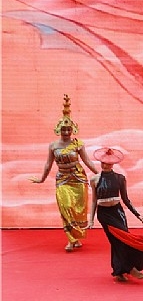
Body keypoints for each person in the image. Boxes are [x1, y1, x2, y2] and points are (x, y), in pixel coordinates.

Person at [30, 94, 99, 252]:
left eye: (68, 129)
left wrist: (100, 174)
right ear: (58, 130)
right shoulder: (53, 146)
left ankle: (76, 237)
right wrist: (41, 179)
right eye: (64, 129)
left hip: (78, 179)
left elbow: (87, 161)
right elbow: (48, 164)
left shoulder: (78, 144)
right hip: (62, 180)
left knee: (78, 210)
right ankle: (71, 239)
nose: (66, 132)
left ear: (72, 129)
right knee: (65, 207)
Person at [87, 148, 143, 282]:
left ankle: (119, 271)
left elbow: (125, 199)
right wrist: (90, 220)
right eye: (103, 162)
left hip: (118, 212)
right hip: (104, 215)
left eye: (108, 163)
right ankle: (130, 268)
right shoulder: (94, 179)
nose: (105, 165)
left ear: (113, 164)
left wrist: (137, 214)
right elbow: (93, 200)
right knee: (116, 241)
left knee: (124, 239)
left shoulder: (120, 178)